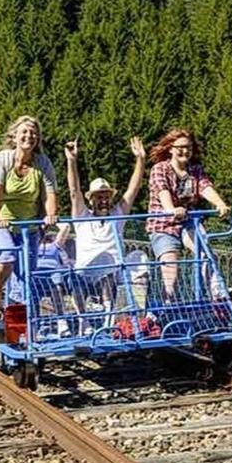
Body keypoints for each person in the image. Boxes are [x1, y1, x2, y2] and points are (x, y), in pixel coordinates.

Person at [0, 116, 59, 320]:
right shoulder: (2, 159)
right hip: (0, 224)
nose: (29, 136)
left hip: (29, 227)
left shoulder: (42, 163)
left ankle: (23, 322)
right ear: (15, 136)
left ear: (38, 139)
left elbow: (49, 194)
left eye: (33, 133)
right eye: (24, 132)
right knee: (8, 255)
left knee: (27, 276)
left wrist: (50, 215)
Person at [65, 136, 146, 328]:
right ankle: (83, 320)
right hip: (85, 271)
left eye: (106, 196)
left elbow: (133, 190)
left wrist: (141, 160)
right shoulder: (82, 216)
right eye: (99, 197)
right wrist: (72, 161)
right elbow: (74, 191)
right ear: (91, 199)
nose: (103, 200)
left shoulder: (117, 214)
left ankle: (109, 319)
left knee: (110, 272)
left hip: (110, 271)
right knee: (74, 275)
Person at [145, 129, 230, 301]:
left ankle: (216, 291)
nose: (185, 151)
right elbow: (162, 191)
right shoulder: (160, 169)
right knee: (171, 272)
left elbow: (204, 186)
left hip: (187, 221)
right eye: (181, 147)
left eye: (189, 148)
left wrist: (219, 203)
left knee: (204, 250)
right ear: (170, 148)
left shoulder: (195, 170)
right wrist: (171, 209)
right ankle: (166, 308)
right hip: (163, 224)